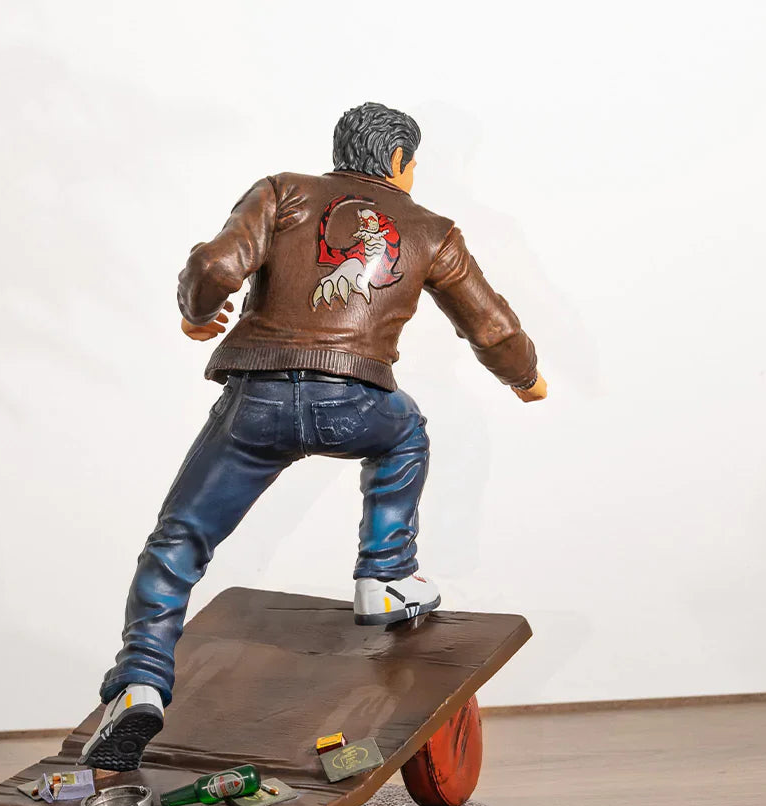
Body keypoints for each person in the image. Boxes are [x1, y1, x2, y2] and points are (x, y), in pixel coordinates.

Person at [79, 102, 546, 771]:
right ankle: (385, 575)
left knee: (179, 539)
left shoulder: (283, 191)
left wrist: (197, 313)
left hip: (256, 401)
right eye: (413, 163)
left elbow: (215, 265)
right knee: (406, 432)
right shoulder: (433, 230)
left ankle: (139, 684)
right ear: (398, 161)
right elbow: (491, 325)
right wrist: (526, 378)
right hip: (356, 401)